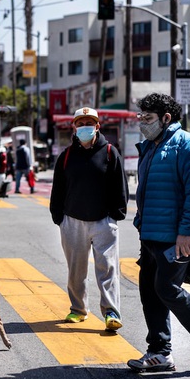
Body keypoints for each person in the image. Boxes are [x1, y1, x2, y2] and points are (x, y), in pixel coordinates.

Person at [127, 93, 190, 372]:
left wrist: (187, 232)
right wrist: (140, 222)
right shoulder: (151, 146)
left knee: (165, 288)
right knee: (150, 291)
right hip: (151, 234)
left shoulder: (189, 145)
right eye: (141, 117)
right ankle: (159, 352)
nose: (142, 123)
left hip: (177, 237)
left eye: (148, 118)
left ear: (166, 118)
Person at [50, 107, 128, 332]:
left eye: (89, 122)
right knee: (76, 269)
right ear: (74, 127)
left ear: (97, 126)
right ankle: (78, 309)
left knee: (107, 268)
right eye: (80, 122)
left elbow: (119, 186)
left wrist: (116, 215)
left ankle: (111, 312)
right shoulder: (66, 157)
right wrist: (58, 217)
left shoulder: (111, 152)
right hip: (72, 221)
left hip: (103, 221)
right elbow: (58, 189)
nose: (85, 126)